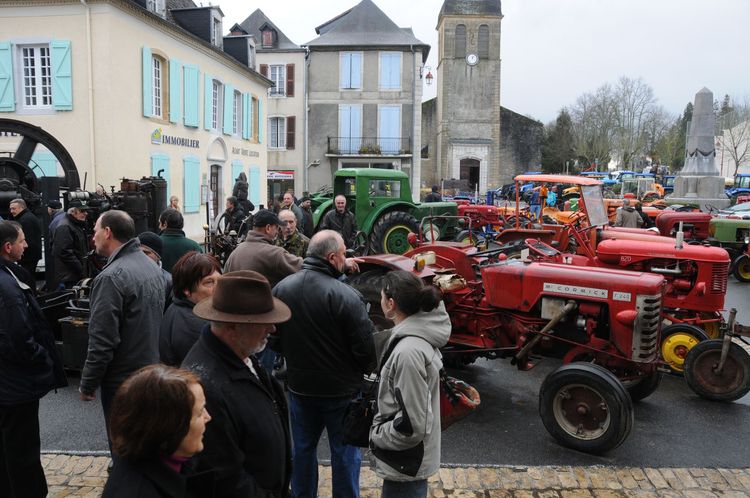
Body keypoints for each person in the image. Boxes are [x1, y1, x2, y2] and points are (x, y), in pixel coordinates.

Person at [272, 230, 376, 498]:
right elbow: (366, 349)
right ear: (331, 257)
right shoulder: (347, 296)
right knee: (344, 454)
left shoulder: (282, 289)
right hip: (341, 392)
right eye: (343, 254)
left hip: (300, 388)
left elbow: (273, 338)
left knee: (303, 450)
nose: (346, 259)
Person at [182, 271, 292, 498]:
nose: (271, 329)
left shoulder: (240, 353)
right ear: (232, 327)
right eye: (262, 322)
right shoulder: (207, 388)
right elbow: (223, 480)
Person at [79, 211, 166, 451]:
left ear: (107, 232)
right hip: (149, 372)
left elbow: (102, 340)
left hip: (123, 381)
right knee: (143, 446)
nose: (93, 237)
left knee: (124, 449)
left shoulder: (111, 277)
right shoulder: (151, 266)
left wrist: (88, 383)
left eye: (96, 230)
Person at [0, 221, 67, 498]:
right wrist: (43, 358)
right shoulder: (8, 286)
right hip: (15, 387)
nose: (26, 245)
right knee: (22, 451)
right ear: (7, 247)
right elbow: (19, 337)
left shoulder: (10, 278)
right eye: (22, 241)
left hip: (8, 384)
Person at [370, 271, 450, 498]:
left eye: (382, 297)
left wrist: (377, 433)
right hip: (408, 462)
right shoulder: (414, 338)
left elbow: (412, 426)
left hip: (406, 463)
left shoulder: (408, 352)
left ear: (391, 304)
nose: (380, 301)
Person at [102, 365, 214, 498]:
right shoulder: (138, 491)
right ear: (169, 426)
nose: (208, 417)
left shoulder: (172, 459)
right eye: (200, 412)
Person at [160, 252, 221, 367]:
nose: (219, 288)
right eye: (209, 282)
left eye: (220, 281)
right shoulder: (194, 325)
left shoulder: (178, 308)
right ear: (186, 289)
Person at [223, 209, 302, 288]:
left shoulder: (235, 253)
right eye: (276, 227)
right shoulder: (274, 253)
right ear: (268, 228)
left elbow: (224, 282)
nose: (277, 232)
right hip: (265, 299)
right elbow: (303, 267)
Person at [51, 201, 89, 289]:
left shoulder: (76, 224)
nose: (85, 213)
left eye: (85, 211)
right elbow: (65, 253)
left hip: (74, 274)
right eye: (82, 211)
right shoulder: (65, 227)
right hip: (70, 277)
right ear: (72, 212)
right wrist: (81, 270)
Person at [159, 209, 203, 273]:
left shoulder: (155, 245)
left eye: (160, 223)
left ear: (165, 224)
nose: (159, 226)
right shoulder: (195, 246)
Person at [138, 231, 173, 309]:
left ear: (158, 256)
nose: (141, 256)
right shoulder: (129, 277)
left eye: (146, 253)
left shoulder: (168, 281)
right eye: (138, 252)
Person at [9, 198, 41, 278]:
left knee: (27, 278)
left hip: (28, 257)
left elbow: (27, 240)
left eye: (14, 208)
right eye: (11, 209)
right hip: (31, 256)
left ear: (21, 208)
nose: (11, 211)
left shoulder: (25, 220)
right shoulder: (27, 217)